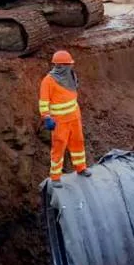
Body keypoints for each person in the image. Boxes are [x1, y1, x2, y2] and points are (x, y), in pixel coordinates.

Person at [39, 50, 91, 187]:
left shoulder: (72, 76)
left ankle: (81, 168)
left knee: (78, 142)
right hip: (60, 121)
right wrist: (46, 117)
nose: (70, 67)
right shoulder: (48, 81)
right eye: (68, 64)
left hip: (74, 117)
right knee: (59, 147)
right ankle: (55, 176)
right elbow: (43, 102)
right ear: (60, 66)